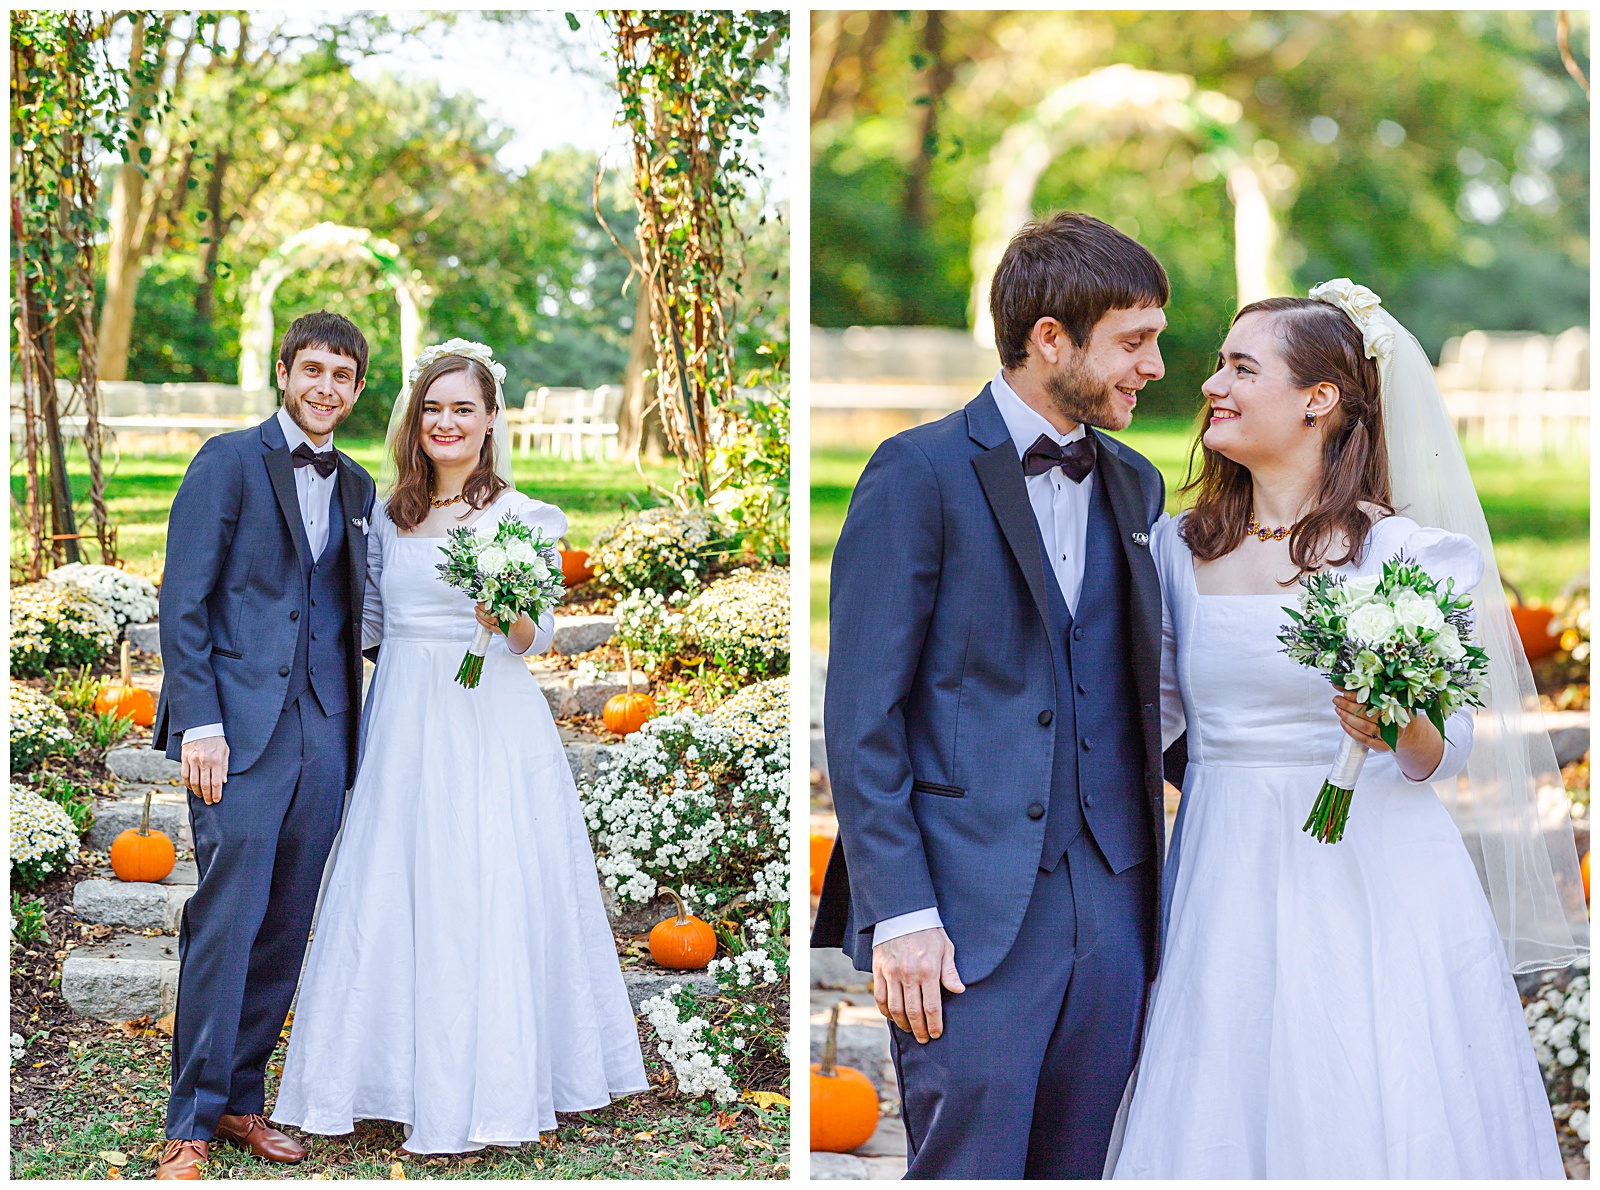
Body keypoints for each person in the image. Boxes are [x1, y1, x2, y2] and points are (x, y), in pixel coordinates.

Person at [1106, 284, 1583, 1177]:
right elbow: (1148, 713)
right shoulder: (1177, 550)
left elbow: (1449, 745)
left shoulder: (1401, 555)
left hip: (1375, 870)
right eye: (1219, 364)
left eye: (1242, 367)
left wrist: (1400, 722)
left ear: (1319, 398)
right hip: (1227, 863)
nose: (1212, 383)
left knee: (1370, 1088)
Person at [812, 212, 1173, 1178]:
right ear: (1050, 338)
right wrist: (903, 916)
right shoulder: (917, 473)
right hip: (964, 913)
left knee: (1081, 1164)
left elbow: (1150, 695)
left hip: (1116, 901)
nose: (1155, 367)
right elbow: (863, 719)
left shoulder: (1137, 487)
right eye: (1134, 342)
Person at [270, 339, 648, 1154]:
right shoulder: (386, 512)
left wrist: (498, 604)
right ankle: (387, 1078)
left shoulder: (521, 516)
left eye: (462, 409)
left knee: (485, 886)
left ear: (488, 421)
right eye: (433, 408)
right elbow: (368, 624)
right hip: (406, 715)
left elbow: (533, 634)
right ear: (416, 419)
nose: (446, 422)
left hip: (489, 725)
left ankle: (496, 1083)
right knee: (396, 885)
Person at [153, 311, 377, 1179]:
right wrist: (199, 723)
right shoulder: (227, 462)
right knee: (227, 920)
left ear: (358, 391)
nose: (325, 387)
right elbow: (186, 602)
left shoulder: (357, 487)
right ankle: (190, 1125)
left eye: (342, 376)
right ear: (285, 372)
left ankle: (243, 1100)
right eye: (312, 369)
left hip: (325, 731)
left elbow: (361, 612)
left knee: (286, 924)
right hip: (235, 735)